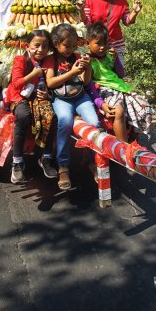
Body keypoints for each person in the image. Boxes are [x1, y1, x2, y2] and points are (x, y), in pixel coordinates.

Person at [44, 23, 101, 190]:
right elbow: (50, 82)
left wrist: (87, 67)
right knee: (65, 121)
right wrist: (71, 73)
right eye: (66, 46)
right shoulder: (50, 60)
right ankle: (63, 166)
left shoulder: (77, 57)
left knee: (94, 123)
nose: (70, 49)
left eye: (73, 46)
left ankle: (91, 159)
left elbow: (85, 81)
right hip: (61, 98)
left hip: (79, 96)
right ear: (55, 43)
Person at [85, 21, 154, 142]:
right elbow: (89, 86)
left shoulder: (109, 56)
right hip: (103, 90)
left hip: (120, 88)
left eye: (105, 43)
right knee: (118, 111)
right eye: (98, 44)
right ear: (88, 44)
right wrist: (101, 103)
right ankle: (124, 148)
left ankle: (132, 137)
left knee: (143, 107)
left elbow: (121, 75)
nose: (102, 47)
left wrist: (116, 59)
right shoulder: (87, 61)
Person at [5, 29, 58, 183]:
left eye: (45, 46)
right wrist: (33, 75)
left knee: (51, 116)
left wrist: (47, 94)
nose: (40, 50)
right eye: (36, 45)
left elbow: (51, 82)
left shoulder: (48, 61)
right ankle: (17, 161)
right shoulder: (20, 60)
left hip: (39, 98)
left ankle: (46, 157)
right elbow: (16, 84)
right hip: (19, 96)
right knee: (23, 116)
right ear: (28, 46)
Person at [82, 0, 142, 74]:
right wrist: (81, 10)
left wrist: (135, 12)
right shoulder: (90, 0)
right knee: (97, 75)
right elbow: (87, 24)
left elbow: (127, 21)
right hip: (96, 45)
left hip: (115, 46)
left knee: (117, 74)